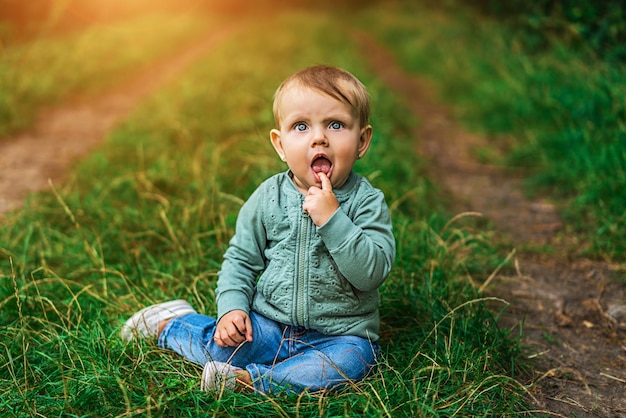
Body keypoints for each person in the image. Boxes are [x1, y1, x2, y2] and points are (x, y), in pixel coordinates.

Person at [121, 65, 396, 395]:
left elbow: (372, 273)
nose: (319, 137)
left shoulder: (367, 202)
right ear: (280, 145)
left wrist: (332, 219)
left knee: (349, 363)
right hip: (269, 324)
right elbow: (240, 259)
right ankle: (171, 324)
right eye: (301, 126)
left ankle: (247, 381)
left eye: (336, 125)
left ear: (362, 140)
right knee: (221, 346)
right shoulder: (268, 197)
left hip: (341, 333)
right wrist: (233, 308)